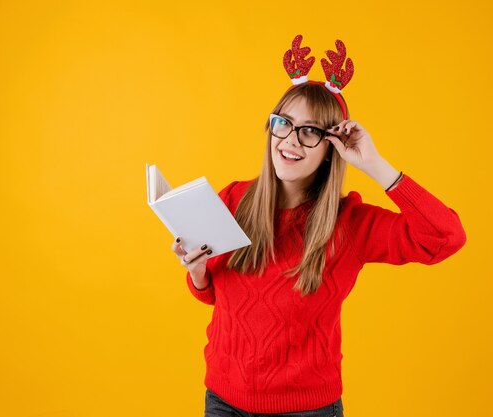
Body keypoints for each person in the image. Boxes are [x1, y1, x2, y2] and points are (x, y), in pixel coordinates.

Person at [171, 35, 467, 417]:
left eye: (310, 131)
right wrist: (197, 273)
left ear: (332, 147)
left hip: (306, 409)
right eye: (284, 123)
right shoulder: (232, 199)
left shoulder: (352, 225)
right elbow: (213, 295)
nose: (290, 140)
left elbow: (445, 237)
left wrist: (375, 164)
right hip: (223, 401)